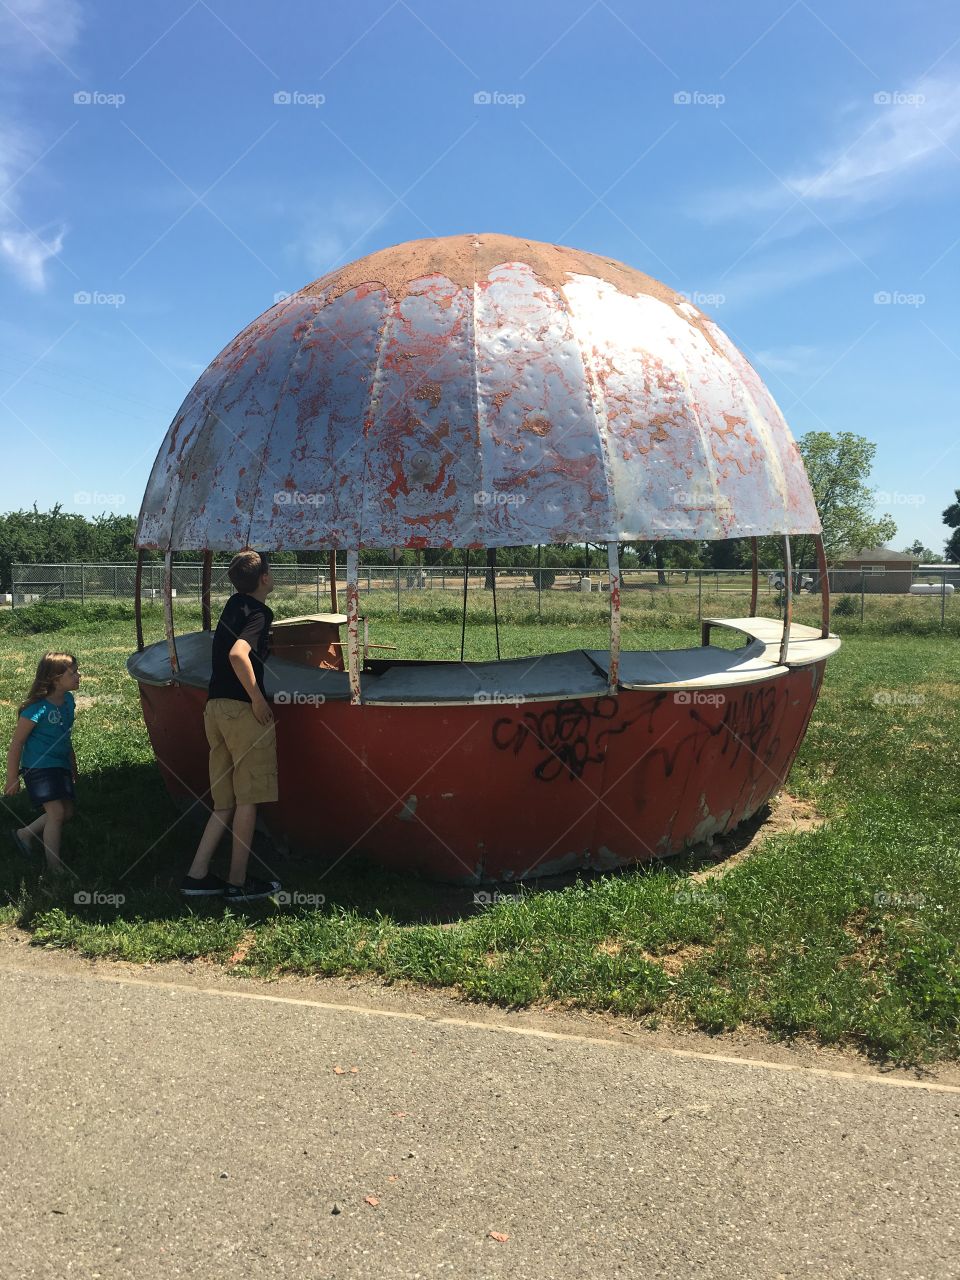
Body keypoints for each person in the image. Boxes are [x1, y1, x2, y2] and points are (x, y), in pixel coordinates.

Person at [180, 549, 283, 903]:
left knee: (223, 802)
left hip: (215, 708)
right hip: (242, 711)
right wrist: (257, 698)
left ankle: (197, 874)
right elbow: (239, 654)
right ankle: (237, 883)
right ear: (265, 579)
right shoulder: (259, 612)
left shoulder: (233, 606)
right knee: (248, 799)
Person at [5, 652, 80, 877]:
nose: (79, 675)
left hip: (59, 764)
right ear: (55, 679)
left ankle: (24, 834)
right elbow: (17, 744)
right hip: (38, 767)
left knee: (67, 812)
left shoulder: (68, 701)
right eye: (73, 672)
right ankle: (55, 869)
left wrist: (72, 762)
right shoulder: (36, 710)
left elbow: (64, 735)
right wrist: (11, 778)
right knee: (56, 813)